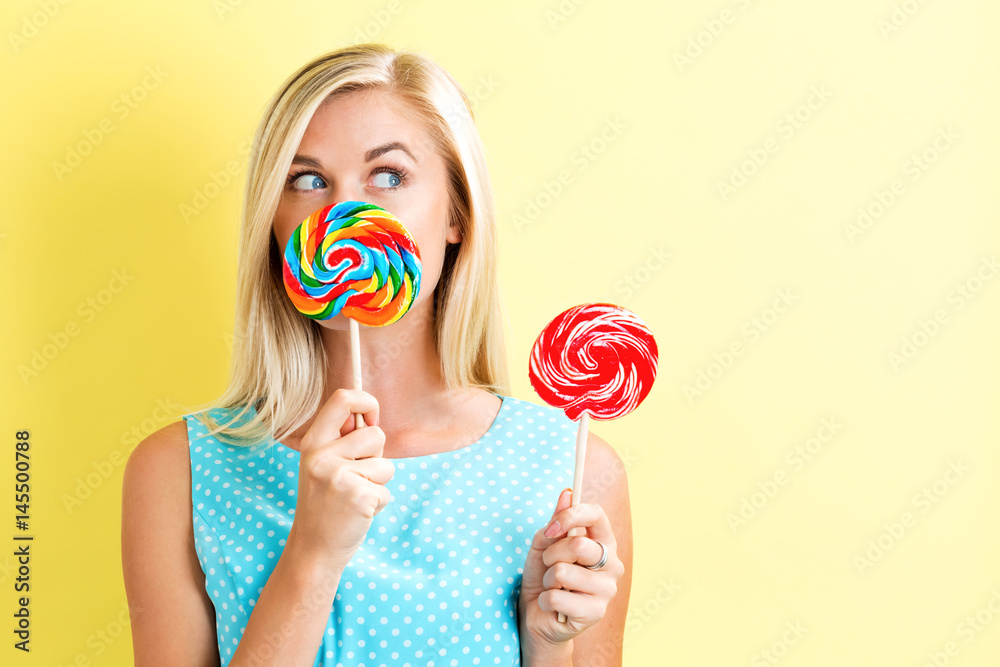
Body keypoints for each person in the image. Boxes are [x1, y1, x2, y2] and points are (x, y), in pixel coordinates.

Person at [121, 42, 632, 666]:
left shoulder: (574, 468)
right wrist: (312, 553)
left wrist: (549, 643)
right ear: (275, 223)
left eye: (388, 176)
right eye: (307, 180)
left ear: (457, 215)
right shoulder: (177, 472)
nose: (344, 211)